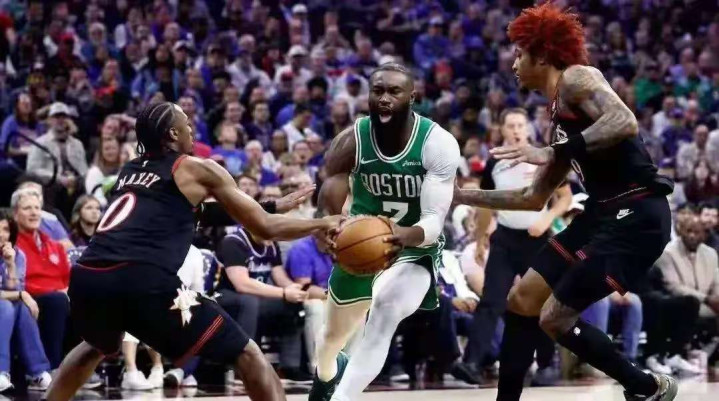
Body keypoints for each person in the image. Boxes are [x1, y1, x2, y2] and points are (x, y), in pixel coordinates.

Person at [43, 102, 341, 401]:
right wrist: (321, 223)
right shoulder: (197, 167)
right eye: (186, 122)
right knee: (248, 354)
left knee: (94, 346)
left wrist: (270, 206)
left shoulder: (130, 170)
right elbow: (265, 228)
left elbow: (192, 212)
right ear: (173, 133)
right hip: (141, 278)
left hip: (89, 277)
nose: (192, 128)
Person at [452, 4, 676, 400]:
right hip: (600, 214)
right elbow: (532, 197)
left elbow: (625, 121)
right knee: (521, 299)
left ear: (542, 55)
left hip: (637, 215)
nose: (514, 64)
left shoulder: (578, 77)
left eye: (520, 54)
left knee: (554, 318)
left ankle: (646, 387)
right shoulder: (557, 119)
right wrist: (459, 195)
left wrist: (555, 150)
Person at [309, 63, 460, 401]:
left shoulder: (437, 143)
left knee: (385, 313)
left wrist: (404, 235)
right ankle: (326, 373)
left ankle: (341, 399)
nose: (385, 98)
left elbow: (434, 221)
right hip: (361, 244)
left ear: (412, 97)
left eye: (394, 91)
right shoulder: (351, 140)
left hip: (416, 247)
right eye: (377, 91)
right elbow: (328, 202)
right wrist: (326, 228)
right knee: (331, 337)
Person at [461, 108, 571, 385]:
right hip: (505, 239)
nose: (516, 130)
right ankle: (472, 363)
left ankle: (546, 364)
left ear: (528, 129)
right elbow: (486, 202)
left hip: (537, 240)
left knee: (542, 302)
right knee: (491, 301)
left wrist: (546, 219)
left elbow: (565, 198)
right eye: (511, 125)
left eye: (521, 125)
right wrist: (480, 238)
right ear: (502, 130)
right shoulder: (494, 162)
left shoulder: (544, 158)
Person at [0, 211, 53, 392]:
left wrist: (10, 264)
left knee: (22, 308)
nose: (1, 234)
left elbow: (13, 289)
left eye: (6, 229)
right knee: (6, 307)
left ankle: (37, 373)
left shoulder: (17, 255)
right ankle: (1, 371)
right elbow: (17, 293)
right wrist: (22, 294)